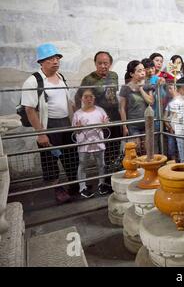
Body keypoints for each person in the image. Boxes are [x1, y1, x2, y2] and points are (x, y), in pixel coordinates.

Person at [21, 43, 78, 203]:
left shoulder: (61, 77)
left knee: (71, 157)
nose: (55, 61)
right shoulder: (34, 81)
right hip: (48, 126)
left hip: (66, 124)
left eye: (57, 58)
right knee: (50, 160)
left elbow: (69, 102)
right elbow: (29, 110)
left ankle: (73, 184)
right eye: (51, 59)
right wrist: (41, 133)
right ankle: (57, 189)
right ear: (41, 62)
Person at [80, 51, 120, 180]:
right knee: (102, 150)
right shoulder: (88, 79)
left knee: (115, 148)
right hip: (98, 121)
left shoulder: (114, 76)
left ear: (110, 64)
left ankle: (113, 176)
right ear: (95, 64)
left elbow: (115, 95)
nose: (103, 66)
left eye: (106, 63)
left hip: (115, 118)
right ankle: (104, 180)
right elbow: (81, 99)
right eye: (100, 63)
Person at [72, 88, 110, 198]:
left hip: (98, 142)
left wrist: (105, 124)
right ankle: (82, 187)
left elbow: (106, 123)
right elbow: (75, 130)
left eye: (91, 97)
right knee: (83, 165)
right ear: (81, 99)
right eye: (86, 97)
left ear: (94, 98)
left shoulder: (100, 110)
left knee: (101, 164)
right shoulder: (77, 114)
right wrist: (78, 128)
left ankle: (101, 183)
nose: (89, 99)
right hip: (84, 144)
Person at [119, 60, 154, 154]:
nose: (143, 72)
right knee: (136, 148)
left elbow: (151, 101)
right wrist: (124, 126)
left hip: (147, 122)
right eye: (139, 70)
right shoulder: (125, 88)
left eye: (143, 70)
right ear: (131, 73)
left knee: (147, 149)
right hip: (133, 123)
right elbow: (122, 108)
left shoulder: (147, 85)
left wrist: (141, 89)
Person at [166, 78, 184, 163]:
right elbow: (173, 117)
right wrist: (173, 128)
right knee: (183, 155)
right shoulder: (174, 102)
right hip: (180, 131)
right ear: (178, 90)